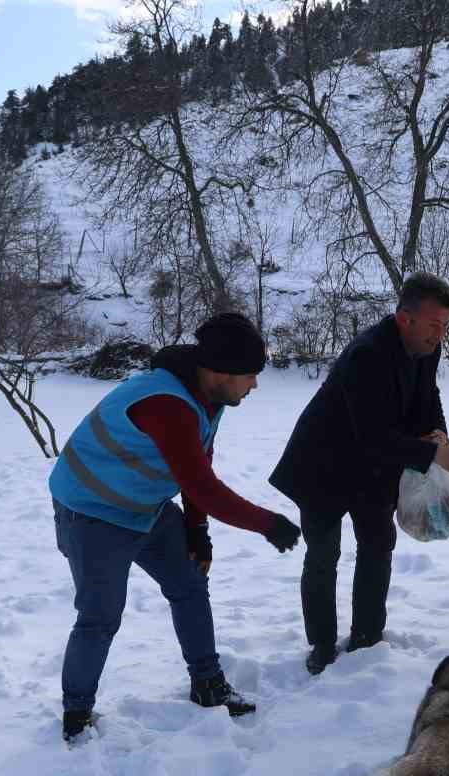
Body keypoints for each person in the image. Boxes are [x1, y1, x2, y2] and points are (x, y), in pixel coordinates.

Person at [48, 312, 302, 741]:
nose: (255, 385)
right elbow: (202, 485)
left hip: (144, 507)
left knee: (189, 584)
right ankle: (77, 715)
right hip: (91, 513)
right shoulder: (166, 404)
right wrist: (268, 523)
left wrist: (196, 532)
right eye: (251, 375)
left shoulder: (210, 397)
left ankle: (208, 684)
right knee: (99, 615)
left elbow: (199, 463)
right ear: (221, 371)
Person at [270, 273, 449, 675]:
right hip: (323, 466)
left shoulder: (425, 348)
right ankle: (322, 646)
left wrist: (438, 432)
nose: (441, 335)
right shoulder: (367, 354)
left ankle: (367, 637)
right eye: (435, 325)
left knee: (378, 545)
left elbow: (427, 396)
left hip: (373, 469)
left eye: (446, 325)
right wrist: (435, 454)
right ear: (404, 318)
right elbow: (372, 434)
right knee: (324, 555)